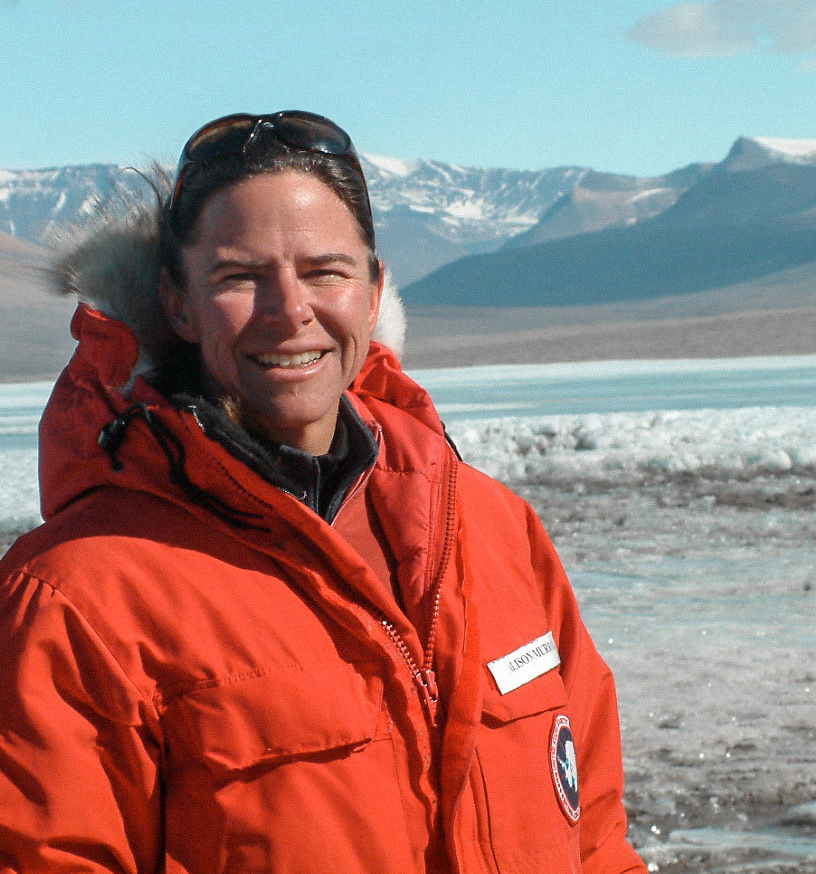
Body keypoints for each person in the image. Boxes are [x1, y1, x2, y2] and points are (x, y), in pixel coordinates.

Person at [0, 111, 647, 874]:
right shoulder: (80, 596)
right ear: (176, 302)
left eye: (325, 272)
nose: (289, 311)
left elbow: (598, 838)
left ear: (373, 294)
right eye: (240, 277)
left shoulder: (495, 531)